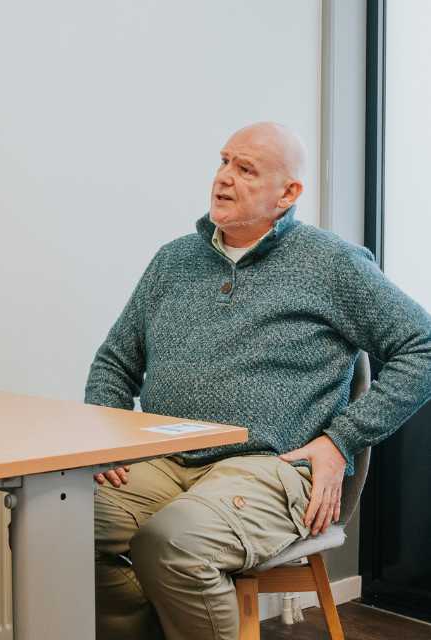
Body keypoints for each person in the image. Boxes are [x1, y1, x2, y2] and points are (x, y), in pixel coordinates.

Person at [85, 121, 431, 640]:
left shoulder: (331, 263)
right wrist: (107, 443)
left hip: (271, 467)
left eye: (245, 169)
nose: (224, 177)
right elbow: (115, 362)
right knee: (61, 523)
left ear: (288, 194)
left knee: (174, 543)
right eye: (224, 161)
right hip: (165, 460)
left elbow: (422, 346)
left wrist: (341, 440)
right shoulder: (174, 261)